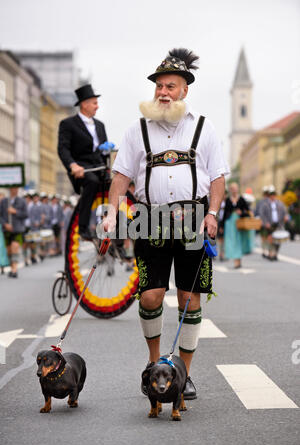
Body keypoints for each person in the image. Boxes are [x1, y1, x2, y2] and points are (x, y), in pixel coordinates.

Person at [102, 48, 229, 400]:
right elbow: (121, 176)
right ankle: (155, 366)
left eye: (170, 86)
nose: (162, 92)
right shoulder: (136, 129)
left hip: (192, 219)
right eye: (158, 86)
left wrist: (213, 213)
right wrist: (112, 212)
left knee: (189, 298)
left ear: (184, 90)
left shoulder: (204, 128)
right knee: (152, 294)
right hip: (150, 218)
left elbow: (217, 177)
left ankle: (182, 374)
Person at [58, 84, 109, 240]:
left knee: (114, 184)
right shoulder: (68, 124)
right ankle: (83, 226)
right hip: (82, 168)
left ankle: (113, 224)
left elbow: (103, 150)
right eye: (94, 103)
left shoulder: (100, 125)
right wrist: (73, 165)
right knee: (92, 182)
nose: (97, 106)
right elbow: (63, 149)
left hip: (100, 166)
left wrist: (107, 155)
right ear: (84, 104)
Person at [221, 182, 251, 269]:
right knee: (231, 241)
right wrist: (222, 226)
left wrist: (241, 213)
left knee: (239, 241)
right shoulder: (227, 200)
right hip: (230, 224)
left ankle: (238, 260)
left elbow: (248, 211)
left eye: (235, 188)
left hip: (240, 223)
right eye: (232, 188)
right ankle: (235, 261)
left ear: (238, 189)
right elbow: (225, 214)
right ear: (230, 190)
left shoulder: (241, 199)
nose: (234, 190)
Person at [0, 187, 27, 278]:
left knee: (14, 247)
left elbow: (25, 214)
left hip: (17, 229)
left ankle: (15, 270)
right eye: (12, 188)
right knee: (9, 250)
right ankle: (12, 268)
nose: (14, 190)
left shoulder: (22, 201)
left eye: (16, 188)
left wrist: (15, 212)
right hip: (7, 229)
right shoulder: (4, 201)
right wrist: (5, 224)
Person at [259, 186, 288, 260]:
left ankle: (275, 253)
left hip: (278, 224)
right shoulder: (265, 204)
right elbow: (262, 214)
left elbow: (285, 212)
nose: (273, 196)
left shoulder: (280, 203)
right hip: (269, 224)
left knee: (278, 239)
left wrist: (286, 216)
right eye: (271, 195)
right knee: (270, 239)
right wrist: (266, 223)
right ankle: (271, 254)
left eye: (274, 194)